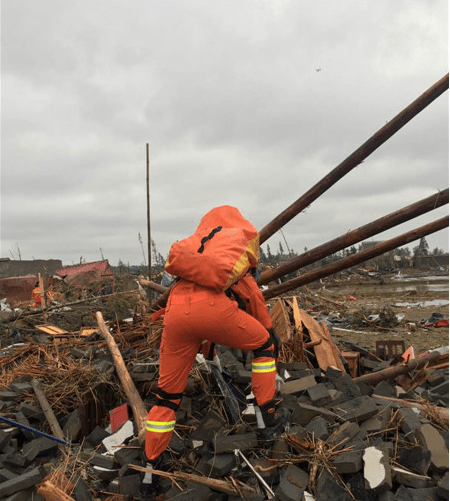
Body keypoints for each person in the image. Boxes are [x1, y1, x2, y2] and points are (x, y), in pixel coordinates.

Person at [141, 206, 289, 499]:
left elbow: (196, 324)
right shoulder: (229, 259)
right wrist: (268, 331)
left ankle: (149, 472)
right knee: (263, 346)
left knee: (167, 397)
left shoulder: (193, 260)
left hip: (175, 315)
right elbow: (251, 298)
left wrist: (210, 354)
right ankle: (267, 420)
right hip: (213, 311)